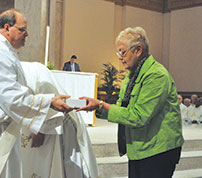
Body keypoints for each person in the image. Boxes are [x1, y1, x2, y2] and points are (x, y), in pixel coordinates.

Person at [0, 9, 73, 178]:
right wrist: (49, 101)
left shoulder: (2, 50)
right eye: (22, 29)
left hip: (0, 130)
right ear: (7, 28)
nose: (26, 34)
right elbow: (12, 97)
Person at [77, 27, 184, 178]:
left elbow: (139, 117)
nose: (119, 57)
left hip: (158, 151)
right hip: (139, 149)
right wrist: (96, 108)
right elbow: (122, 110)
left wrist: (101, 105)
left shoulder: (156, 75)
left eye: (122, 51)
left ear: (138, 50)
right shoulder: (131, 76)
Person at [20, 61, 99, 178]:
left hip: (57, 124)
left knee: (63, 167)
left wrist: (41, 129)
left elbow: (49, 95)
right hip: (42, 124)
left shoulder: (33, 69)